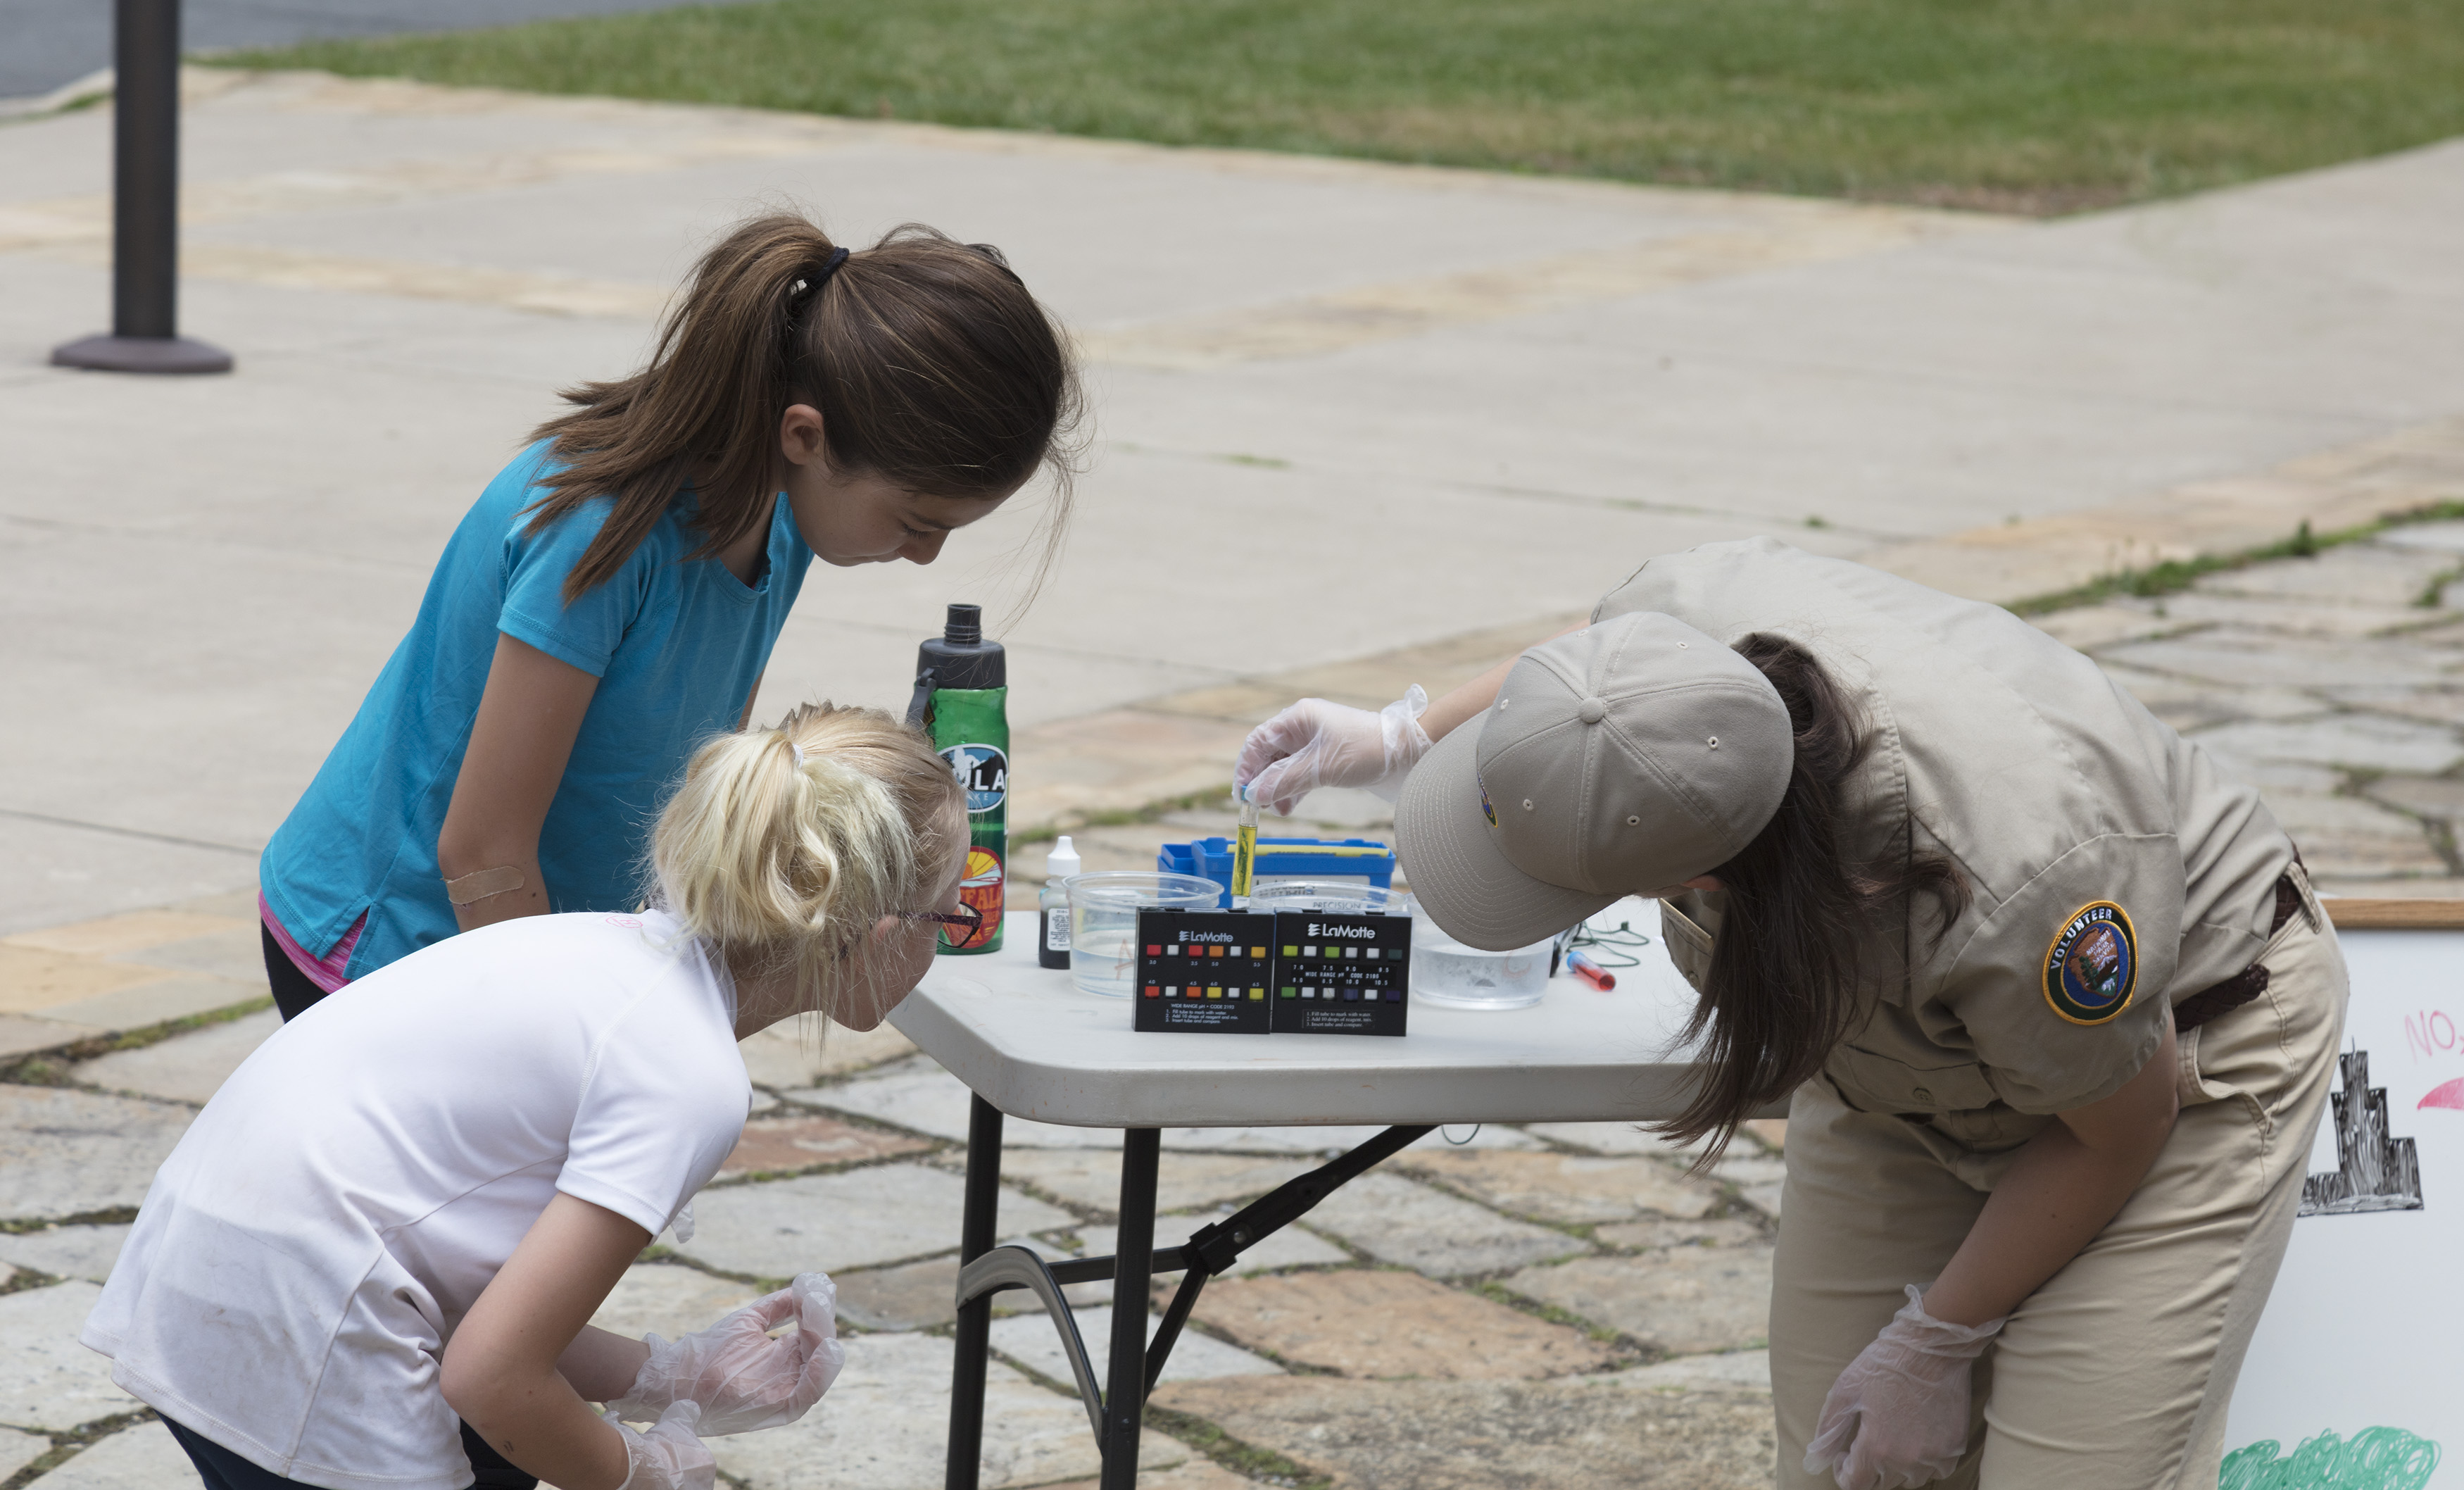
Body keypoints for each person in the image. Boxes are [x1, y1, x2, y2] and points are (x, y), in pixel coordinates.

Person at [1236, 537, 2344, 1489]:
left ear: (1706, 882)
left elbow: (2121, 1126)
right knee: (1830, 1462)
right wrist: (1403, 740)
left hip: (2171, 1066)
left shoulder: (2024, 878)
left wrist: (1937, 1337)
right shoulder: (1676, 633)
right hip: (1906, 1056)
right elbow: (1588, 683)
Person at [87, 702, 979, 1490]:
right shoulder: (688, 1078)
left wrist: (674, 1375)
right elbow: (493, 1376)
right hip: (305, 1318)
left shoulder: (597, 952)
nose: (950, 942)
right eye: (951, 916)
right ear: (880, 934)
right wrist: (641, 1472)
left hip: (200, 1269)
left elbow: (466, 1290)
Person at [256, 211, 1081, 1022]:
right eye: (915, 522)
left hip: (544, 946)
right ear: (805, 435)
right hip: (395, 952)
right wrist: (582, 1052)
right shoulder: (601, 531)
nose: (925, 556)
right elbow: (482, 852)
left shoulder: (784, 516)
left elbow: (695, 789)